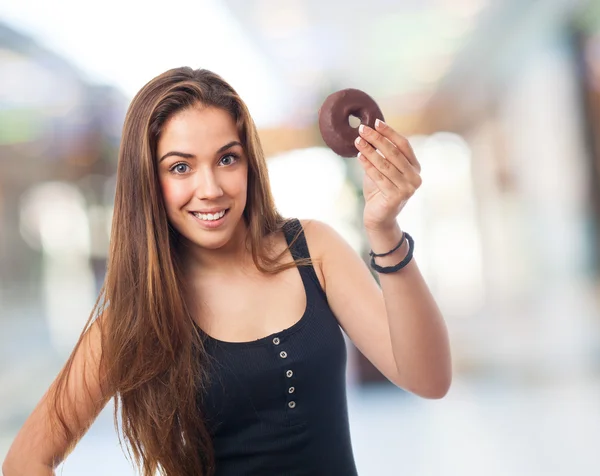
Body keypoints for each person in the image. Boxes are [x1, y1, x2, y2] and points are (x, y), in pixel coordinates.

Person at [2, 67, 452, 476]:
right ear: (148, 182)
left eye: (227, 159)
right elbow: (26, 461)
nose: (211, 189)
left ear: (249, 163)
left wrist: (385, 229)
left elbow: (428, 379)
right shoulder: (135, 315)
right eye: (180, 167)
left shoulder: (312, 249)